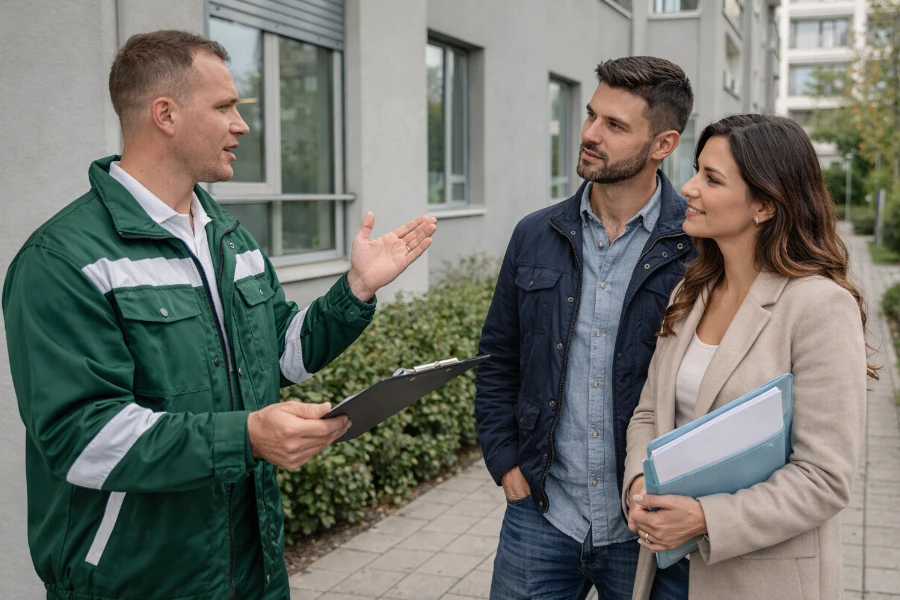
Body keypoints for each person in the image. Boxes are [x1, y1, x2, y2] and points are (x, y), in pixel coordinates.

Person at [2, 30, 437, 600]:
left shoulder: (229, 238)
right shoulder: (64, 260)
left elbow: (280, 354)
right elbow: (82, 439)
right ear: (166, 114)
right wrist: (247, 436)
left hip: (249, 569)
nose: (243, 125)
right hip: (138, 582)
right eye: (226, 107)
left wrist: (354, 289)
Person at [623, 114, 875, 600]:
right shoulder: (690, 292)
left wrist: (704, 519)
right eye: (696, 170)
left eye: (711, 178)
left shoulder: (819, 306)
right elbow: (650, 412)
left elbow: (824, 478)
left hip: (758, 578)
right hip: (665, 570)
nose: (688, 188)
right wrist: (638, 484)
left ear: (763, 204)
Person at [474, 56, 695, 599]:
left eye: (615, 125)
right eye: (592, 115)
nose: (590, 134)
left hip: (647, 528)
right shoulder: (535, 234)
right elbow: (498, 357)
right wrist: (504, 461)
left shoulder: (696, 250)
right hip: (543, 515)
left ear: (663, 144)